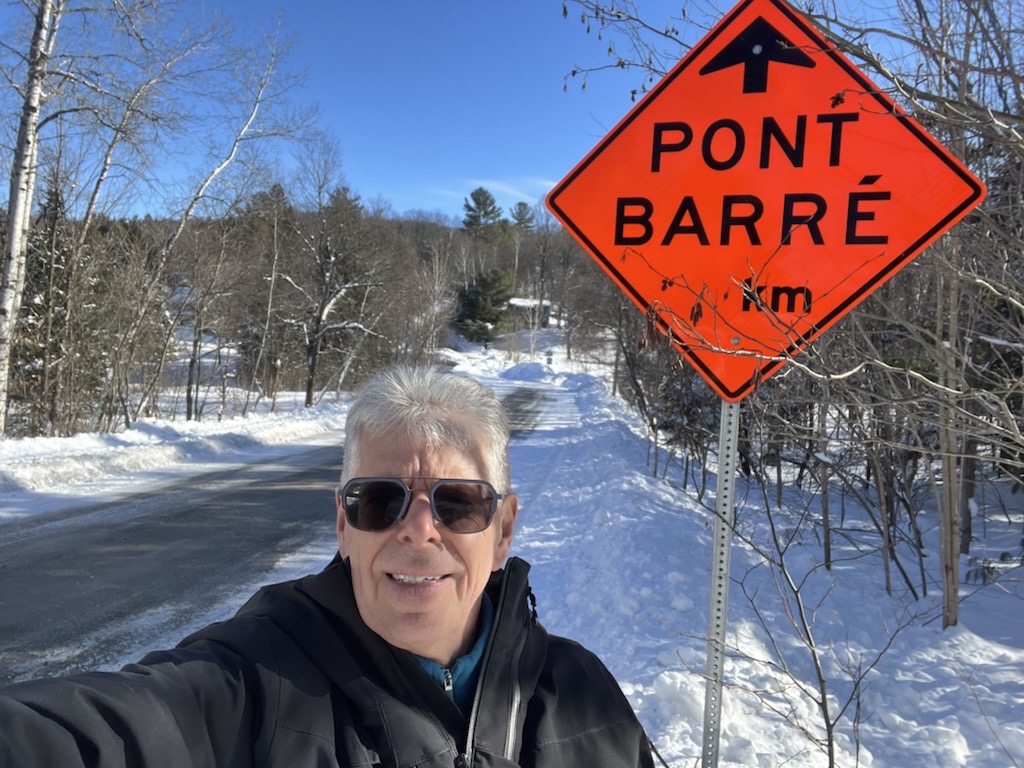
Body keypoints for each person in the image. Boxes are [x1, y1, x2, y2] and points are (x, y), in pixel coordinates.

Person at [0, 366, 655, 767]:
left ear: (504, 529)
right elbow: (103, 731)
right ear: (343, 523)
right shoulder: (253, 685)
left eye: (458, 503)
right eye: (379, 501)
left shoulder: (582, 695)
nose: (418, 530)